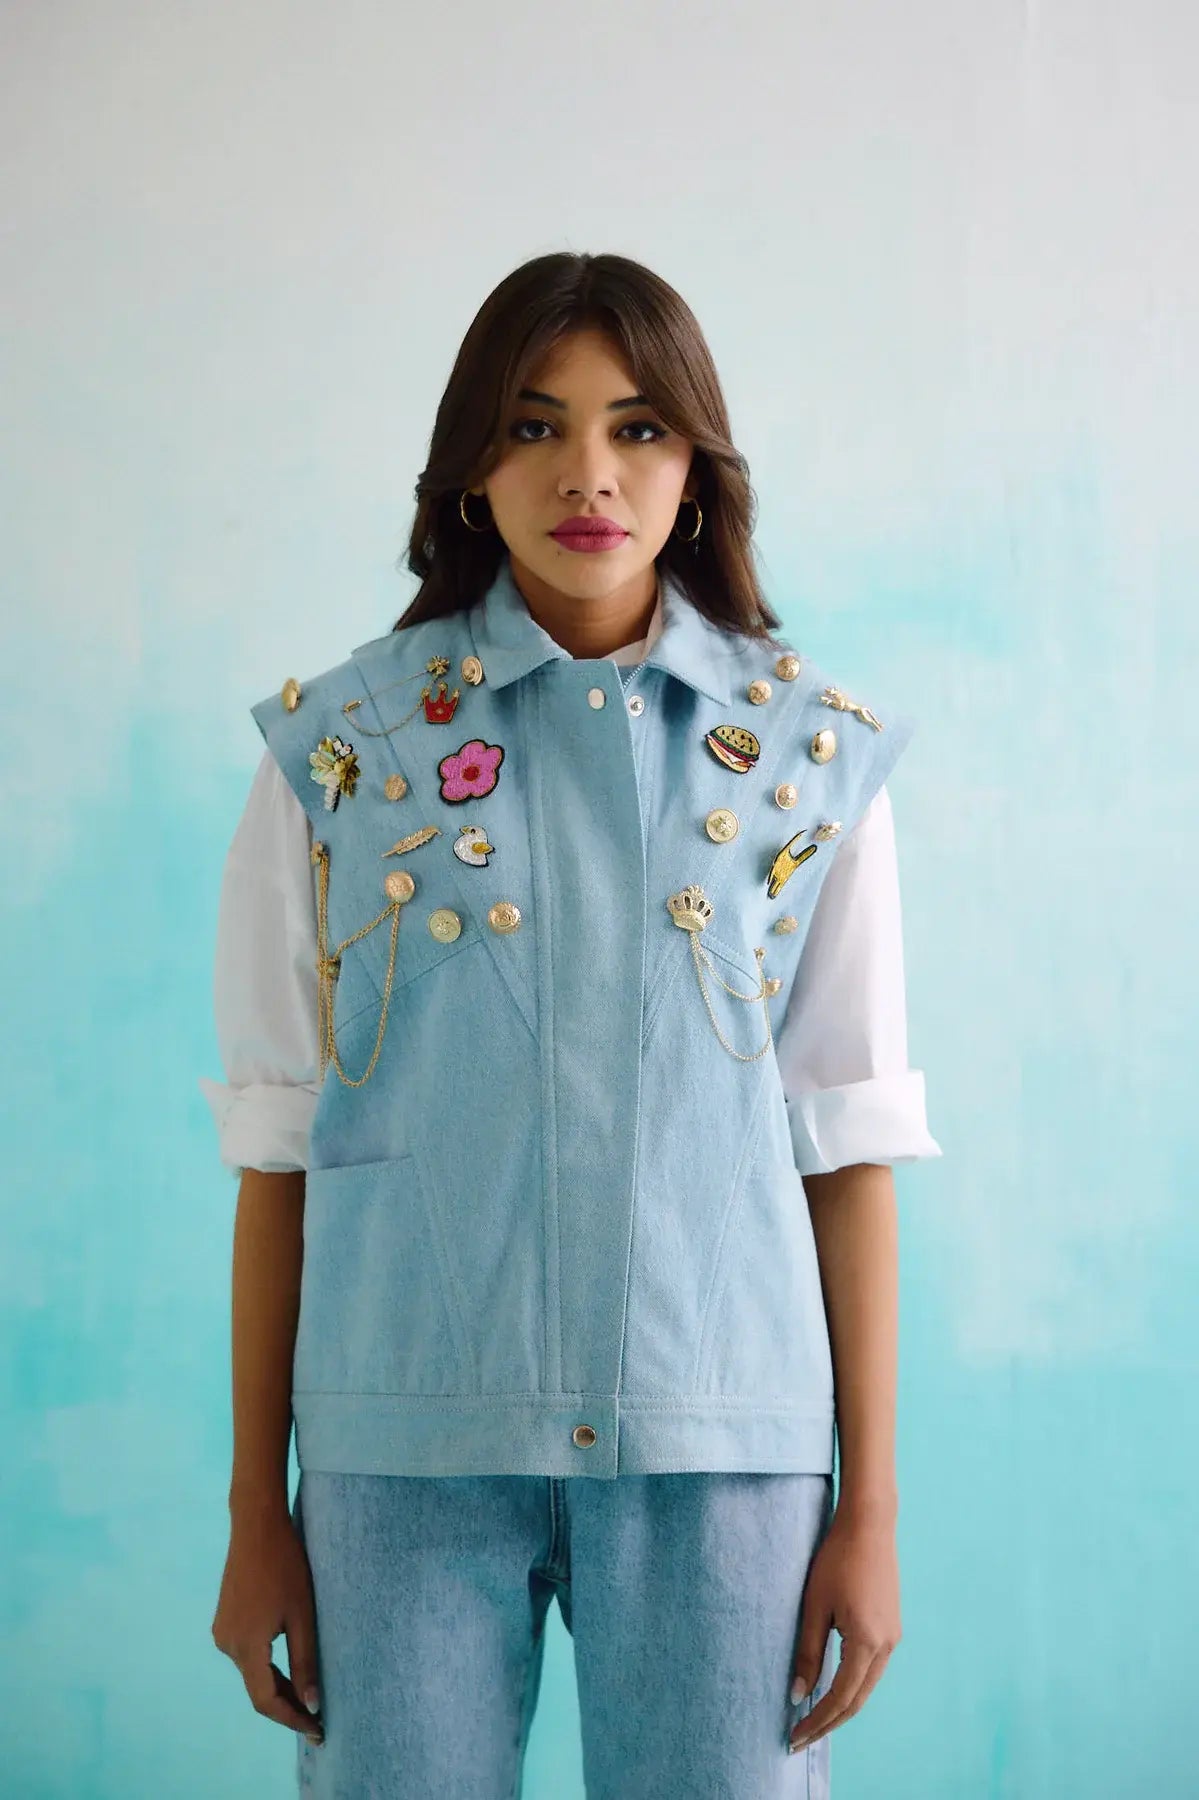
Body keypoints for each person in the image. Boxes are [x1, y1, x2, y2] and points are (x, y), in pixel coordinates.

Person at [203, 249, 942, 1798]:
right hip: (402, 1460)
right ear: (472, 468)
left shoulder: (807, 759)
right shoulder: (338, 756)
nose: (588, 474)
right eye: (535, 426)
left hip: (723, 1461)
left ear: (697, 468)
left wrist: (868, 1509)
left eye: (638, 428)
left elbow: (846, 1144)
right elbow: (278, 1154)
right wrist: (256, 1512)